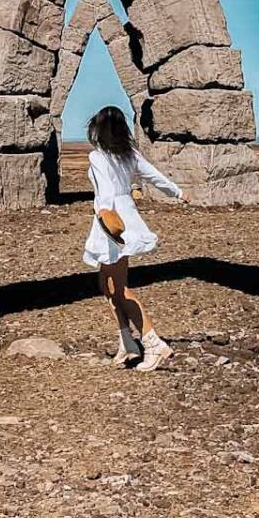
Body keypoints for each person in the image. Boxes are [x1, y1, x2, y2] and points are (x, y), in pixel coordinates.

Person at [82, 105, 183, 371]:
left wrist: (105, 217)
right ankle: (127, 342)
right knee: (108, 284)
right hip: (124, 217)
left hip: (111, 222)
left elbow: (104, 191)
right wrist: (177, 192)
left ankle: (153, 342)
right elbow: (154, 176)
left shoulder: (98, 157)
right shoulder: (129, 155)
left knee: (120, 288)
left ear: (97, 129)